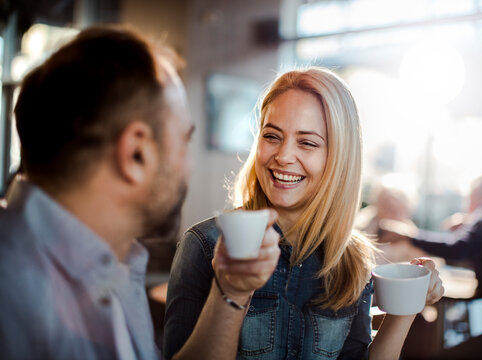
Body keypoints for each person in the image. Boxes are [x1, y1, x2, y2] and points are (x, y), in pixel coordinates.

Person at [0, 26, 281, 360]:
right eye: (184, 140)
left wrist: (231, 289)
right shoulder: (12, 294)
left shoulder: (113, 265)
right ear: (136, 154)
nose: (189, 165)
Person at [164, 67, 444, 360]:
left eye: (307, 142)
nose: (283, 156)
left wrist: (407, 304)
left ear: (338, 157)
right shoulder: (205, 244)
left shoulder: (351, 260)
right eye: (272, 136)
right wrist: (229, 293)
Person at [379, 176, 482, 358]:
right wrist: (470, 223)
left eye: (468, 200)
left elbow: (458, 248)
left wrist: (409, 235)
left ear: (476, 196)